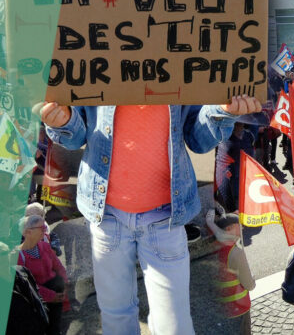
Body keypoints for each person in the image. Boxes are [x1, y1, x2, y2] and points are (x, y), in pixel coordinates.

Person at [40, 95, 261, 334]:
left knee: (174, 325)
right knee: (116, 319)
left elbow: (198, 138)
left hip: (165, 218)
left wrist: (221, 111)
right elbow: (77, 136)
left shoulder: (181, 64)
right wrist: (63, 121)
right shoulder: (94, 58)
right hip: (107, 216)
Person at [17, 215, 68, 335]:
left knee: (56, 327)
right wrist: (51, 296)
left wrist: (65, 284)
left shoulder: (44, 246)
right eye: (42, 228)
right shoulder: (18, 257)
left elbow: (59, 267)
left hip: (57, 293)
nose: (45, 230)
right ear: (28, 232)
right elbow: (28, 285)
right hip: (40, 300)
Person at [206, 209, 255, 334]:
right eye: (240, 226)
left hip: (221, 310)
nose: (242, 229)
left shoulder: (214, 248)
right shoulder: (236, 253)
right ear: (229, 228)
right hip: (239, 309)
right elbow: (249, 285)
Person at [215, 122, 257, 213]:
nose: (240, 124)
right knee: (232, 198)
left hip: (245, 176)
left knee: (241, 196)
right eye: (237, 122)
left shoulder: (249, 135)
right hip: (230, 177)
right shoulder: (224, 137)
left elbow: (252, 155)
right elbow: (220, 165)